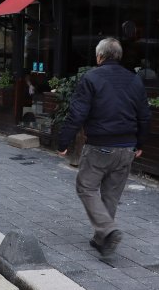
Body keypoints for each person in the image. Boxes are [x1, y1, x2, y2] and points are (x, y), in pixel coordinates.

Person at [58, 38, 150, 258]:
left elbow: (77, 113)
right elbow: (145, 115)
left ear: (99, 57)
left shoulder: (91, 77)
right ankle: (102, 240)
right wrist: (140, 143)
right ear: (118, 56)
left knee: (86, 187)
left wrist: (63, 142)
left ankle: (107, 230)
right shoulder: (134, 80)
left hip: (100, 146)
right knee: (111, 194)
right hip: (127, 147)